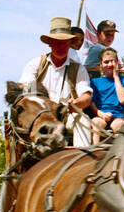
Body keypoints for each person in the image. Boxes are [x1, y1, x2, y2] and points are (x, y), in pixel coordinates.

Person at [20, 16, 93, 147]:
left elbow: (86, 97)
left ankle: (81, 158)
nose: (61, 46)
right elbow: (25, 90)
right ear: (50, 43)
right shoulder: (35, 64)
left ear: (70, 44)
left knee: (83, 119)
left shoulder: (78, 69)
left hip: (65, 114)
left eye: (64, 42)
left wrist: (75, 103)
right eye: (57, 42)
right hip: (39, 116)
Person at [89, 46, 124, 137]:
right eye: (106, 62)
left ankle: (119, 150)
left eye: (112, 61)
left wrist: (116, 77)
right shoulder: (95, 82)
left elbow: (123, 100)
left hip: (119, 116)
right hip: (101, 114)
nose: (109, 65)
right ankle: (93, 149)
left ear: (117, 63)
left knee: (119, 125)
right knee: (96, 123)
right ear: (101, 65)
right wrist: (100, 114)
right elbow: (92, 103)